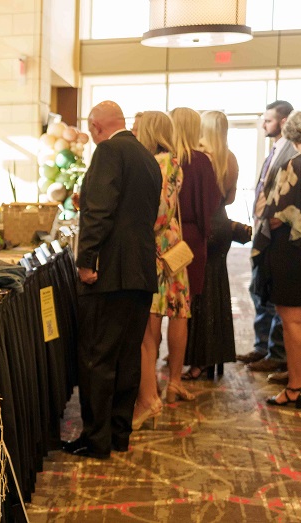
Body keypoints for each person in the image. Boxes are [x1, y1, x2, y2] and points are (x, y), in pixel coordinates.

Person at [63, 101, 161, 459]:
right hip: (140, 272)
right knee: (126, 358)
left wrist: (86, 260)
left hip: (109, 273)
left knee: (97, 358)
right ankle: (119, 434)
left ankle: (96, 440)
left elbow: (102, 213)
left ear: (95, 126)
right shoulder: (147, 156)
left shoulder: (107, 150)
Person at [131, 111, 189, 429]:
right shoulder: (174, 159)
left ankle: (148, 397)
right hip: (173, 246)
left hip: (157, 249)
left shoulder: (160, 161)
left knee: (149, 325)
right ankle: (169, 383)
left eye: (138, 128)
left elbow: (158, 212)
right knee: (176, 311)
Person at [166, 107, 221, 402]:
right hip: (192, 241)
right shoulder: (202, 161)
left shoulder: (163, 158)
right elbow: (209, 205)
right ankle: (175, 380)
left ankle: (148, 384)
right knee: (181, 312)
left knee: (153, 312)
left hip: (165, 238)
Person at [257, 109, 301, 408]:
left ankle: (294, 387)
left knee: (292, 320)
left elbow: (277, 215)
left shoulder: (294, 165)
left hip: (292, 251)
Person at [183, 110, 240, 379]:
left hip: (202, 225)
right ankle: (212, 354)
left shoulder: (198, 156)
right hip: (221, 224)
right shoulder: (231, 158)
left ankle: (196, 357)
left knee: (196, 288)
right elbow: (229, 199)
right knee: (217, 288)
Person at [241, 100, 297, 378]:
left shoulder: (292, 151)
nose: (264, 124)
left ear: (284, 121)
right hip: (263, 230)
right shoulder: (275, 149)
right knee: (259, 291)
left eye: (268, 120)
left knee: (274, 294)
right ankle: (263, 346)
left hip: (277, 233)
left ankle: (277, 353)